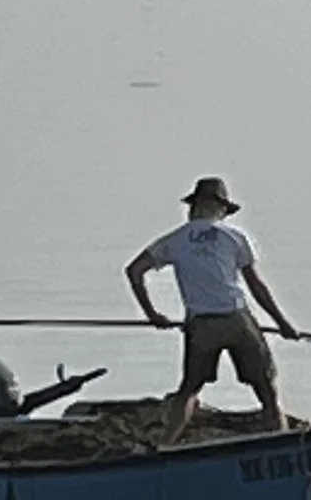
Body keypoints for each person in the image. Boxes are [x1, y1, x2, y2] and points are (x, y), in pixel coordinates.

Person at [126, 177, 298, 434]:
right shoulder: (235, 237)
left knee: (190, 389)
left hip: (201, 323)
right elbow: (256, 286)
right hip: (236, 318)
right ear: (220, 209)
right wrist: (283, 324)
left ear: (194, 206)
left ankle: (167, 445)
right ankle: (282, 438)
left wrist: (153, 315)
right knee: (266, 386)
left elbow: (134, 271)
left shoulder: (175, 240)